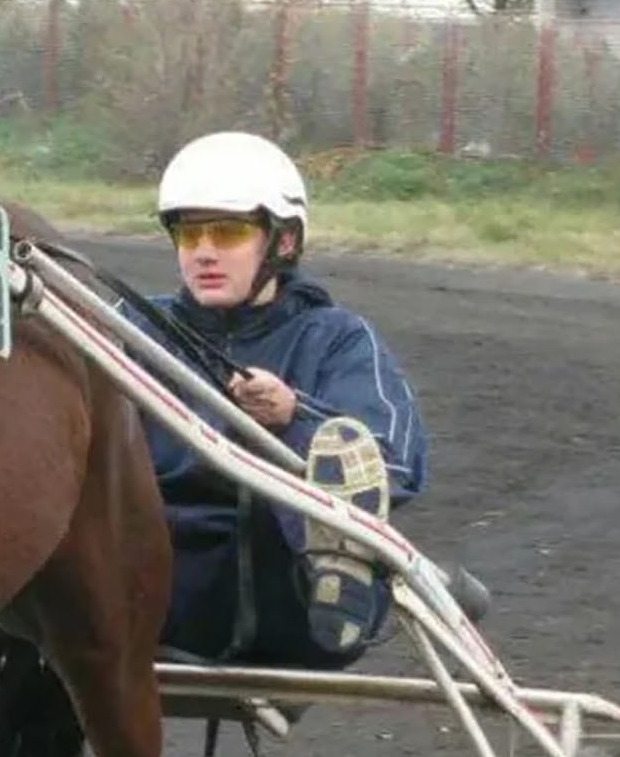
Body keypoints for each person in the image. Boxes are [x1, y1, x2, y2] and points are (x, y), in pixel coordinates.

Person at [126, 130, 429, 668]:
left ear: (283, 243)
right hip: (152, 579)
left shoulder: (336, 338)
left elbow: (394, 463)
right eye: (190, 235)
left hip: (285, 598)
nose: (204, 253)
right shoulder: (135, 326)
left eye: (227, 233)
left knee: (333, 462)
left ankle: (340, 569)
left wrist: (294, 417)